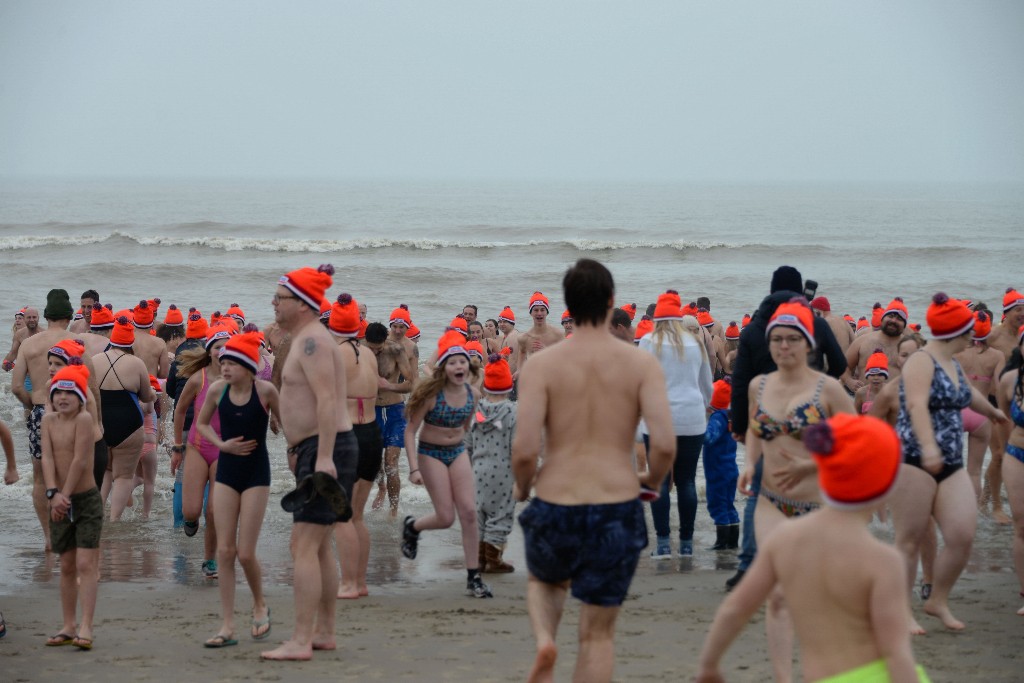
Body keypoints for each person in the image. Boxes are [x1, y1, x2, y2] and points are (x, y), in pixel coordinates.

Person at [512, 258, 675, 683]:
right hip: (615, 501)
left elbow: (526, 450)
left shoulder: (541, 366)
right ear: (611, 302)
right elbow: (664, 445)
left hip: (557, 497)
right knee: (598, 636)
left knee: (546, 583)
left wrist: (523, 489)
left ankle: (546, 638)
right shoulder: (640, 364)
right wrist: (651, 482)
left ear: (565, 304)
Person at [696, 414, 931, 683]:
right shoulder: (884, 560)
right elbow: (896, 652)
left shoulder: (785, 539)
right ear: (887, 487)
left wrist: (709, 665)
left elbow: (735, 609)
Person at [740, 298, 854, 682]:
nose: (783, 347)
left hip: (818, 505)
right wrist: (749, 463)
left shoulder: (830, 391)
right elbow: (757, 429)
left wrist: (812, 463)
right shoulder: (758, 385)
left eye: (792, 339)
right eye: (776, 339)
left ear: (809, 344)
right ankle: (783, 677)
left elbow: (859, 442)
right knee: (778, 594)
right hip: (771, 502)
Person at [892, 293, 1007, 633]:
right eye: (970, 330)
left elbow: (966, 392)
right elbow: (915, 405)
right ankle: (900, 610)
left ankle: (937, 599)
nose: (975, 336)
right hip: (915, 459)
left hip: (951, 461)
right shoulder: (921, 362)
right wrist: (927, 447)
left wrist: (992, 411)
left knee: (961, 535)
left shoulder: (952, 363)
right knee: (909, 540)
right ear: (956, 332)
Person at [261, 264, 358, 662]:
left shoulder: (313, 342)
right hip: (318, 448)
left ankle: (301, 641)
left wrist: (320, 457)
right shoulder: (308, 339)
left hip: (327, 450)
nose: (273, 303)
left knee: (302, 544)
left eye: (279, 298)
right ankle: (323, 632)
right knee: (317, 546)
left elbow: (329, 400)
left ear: (300, 304)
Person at [196, 331, 280, 647]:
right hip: (227, 471)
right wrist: (221, 445)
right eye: (223, 360)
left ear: (248, 365)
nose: (225, 366)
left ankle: (259, 604)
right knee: (225, 551)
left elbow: (287, 424)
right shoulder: (218, 390)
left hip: (257, 473)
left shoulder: (267, 391)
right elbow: (202, 424)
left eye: (232, 362)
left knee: (245, 553)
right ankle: (227, 626)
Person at [400, 330, 492, 598]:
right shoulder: (431, 396)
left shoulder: (473, 394)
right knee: (445, 517)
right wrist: (414, 467)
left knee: (469, 513)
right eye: (452, 362)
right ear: (443, 368)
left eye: (462, 361)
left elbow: (466, 429)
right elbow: (410, 431)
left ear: (468, 364)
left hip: (457, 452)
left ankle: (473, 577)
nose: (458, 366)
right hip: (431, 454)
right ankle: (412, 527)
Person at [12, 290, 92, 550]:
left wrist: (32, 404)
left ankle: (49, 536)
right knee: (74, 470)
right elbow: (91, 382)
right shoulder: (77, 340)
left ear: (45, 316)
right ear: (70, 316)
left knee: (40, 477)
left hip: (39, 412)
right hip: (75, 413)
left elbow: (15, 387)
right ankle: (71, 529)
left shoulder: (28, 344)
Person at [638, 292, 713, 559]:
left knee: (659, 482)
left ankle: (663, 545)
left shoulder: (648, 341)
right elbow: (707, 388)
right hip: (691, 420)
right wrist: (698, 408)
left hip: (658, 420)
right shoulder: (695, 341)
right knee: (687, 481)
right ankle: (687, 543)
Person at [41, 361, 102, 651]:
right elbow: (48, 459)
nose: (62, 398)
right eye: (58, 393)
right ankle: (68, 625)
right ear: (51, 396)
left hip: (85, 499)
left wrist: (65, 495)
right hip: (58, 500)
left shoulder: (84, 420)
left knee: (85, 564)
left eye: (69, 393)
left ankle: (86, 626)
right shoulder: (47, 421)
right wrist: (53, 494)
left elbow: (79, 460)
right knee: (65, 565)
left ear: (80, 398)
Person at [328, 294, 383, 599]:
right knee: (357, 515)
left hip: (347, 436)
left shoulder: (335, 354)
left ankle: (348, 582)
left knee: (342, 516)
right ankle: (359, 582)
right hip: (372, 433)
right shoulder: (369, 354)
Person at [173, 324, 233, 578]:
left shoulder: (238, 379)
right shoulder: (199, 378)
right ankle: (190, 520)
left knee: (214, 511)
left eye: (227, 348)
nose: (223, 352)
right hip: (197, 448)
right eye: (218, 348)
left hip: (224, 450)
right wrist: (177, 448)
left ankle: (211, 560)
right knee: (192, 510)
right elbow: (180, 411)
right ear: (210, 352)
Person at [93, 315, 155, 521]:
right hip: (129, 425)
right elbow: (147, 397)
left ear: (112, 339)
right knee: (124, 476)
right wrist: (155, 394)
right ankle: (114, 519)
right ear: (130, 341)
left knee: (105, 472)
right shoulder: (136, 363)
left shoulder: (94, 360)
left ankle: (98, 513)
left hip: (100, 425)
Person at [466, 352, 518, 573]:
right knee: (501, 513)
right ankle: (493, 560)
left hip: (477, 470)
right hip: (504, 472)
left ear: (485, 387)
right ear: (508, 387)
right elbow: (517, 447)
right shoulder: (513, 412)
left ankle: (478, 559)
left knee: (479, 513)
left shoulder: (476, 411)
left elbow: (467, 443)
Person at [365, 321, 414, 516]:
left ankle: (393, 509)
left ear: (384, 342)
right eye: (371, 349)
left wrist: (389, 386)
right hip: (371, 410)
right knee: (375, 461)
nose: (374, 353)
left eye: (378, 349)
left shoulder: (395, 350)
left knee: (391, 463)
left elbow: (411, 383)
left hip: (394, 410)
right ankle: (381, 487)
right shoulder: (359, 349)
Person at [994, 323, 1024, 615]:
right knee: (1021, 524)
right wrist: (1003, 451)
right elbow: (1002, 419)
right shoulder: (1009, 381)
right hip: (1017, 453)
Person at [704, 378, 739, 550]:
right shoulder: (731, 417)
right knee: (728, 503)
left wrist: (697, 431)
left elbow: (709, 438)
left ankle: (722, 541)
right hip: (731, 469)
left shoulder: (718, 418)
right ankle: (733, 540)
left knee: (717, 503)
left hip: (717, 470)